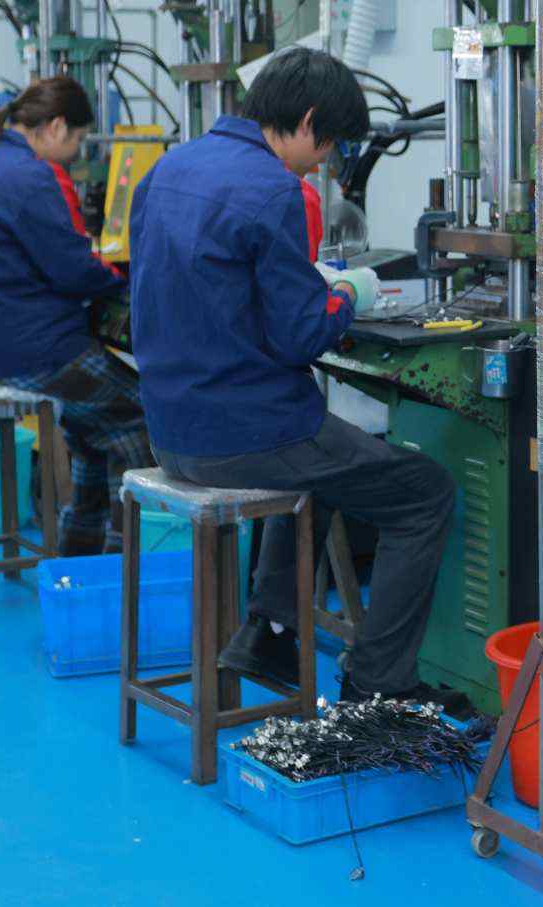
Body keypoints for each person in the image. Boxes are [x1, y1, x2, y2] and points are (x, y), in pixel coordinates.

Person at [129, 47, 466, 714]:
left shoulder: (169, 167)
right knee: (424, 492)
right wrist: (347, 294)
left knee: (332, 456)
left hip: (170, 431)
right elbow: (301, 337)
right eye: (329, 143)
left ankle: (272, 629)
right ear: (308, 120)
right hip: (243, 437)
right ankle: (380, 680)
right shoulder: (275, 188)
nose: (324, 161)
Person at [0, 77, 152, 555]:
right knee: (143, 413)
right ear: (55, 127)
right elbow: (72, 269)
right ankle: (124, 562)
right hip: (28, 351)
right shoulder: (29, 176)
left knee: (92, 429)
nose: (75, 153)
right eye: (77, 140)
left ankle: (81, 547)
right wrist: (123, 280)